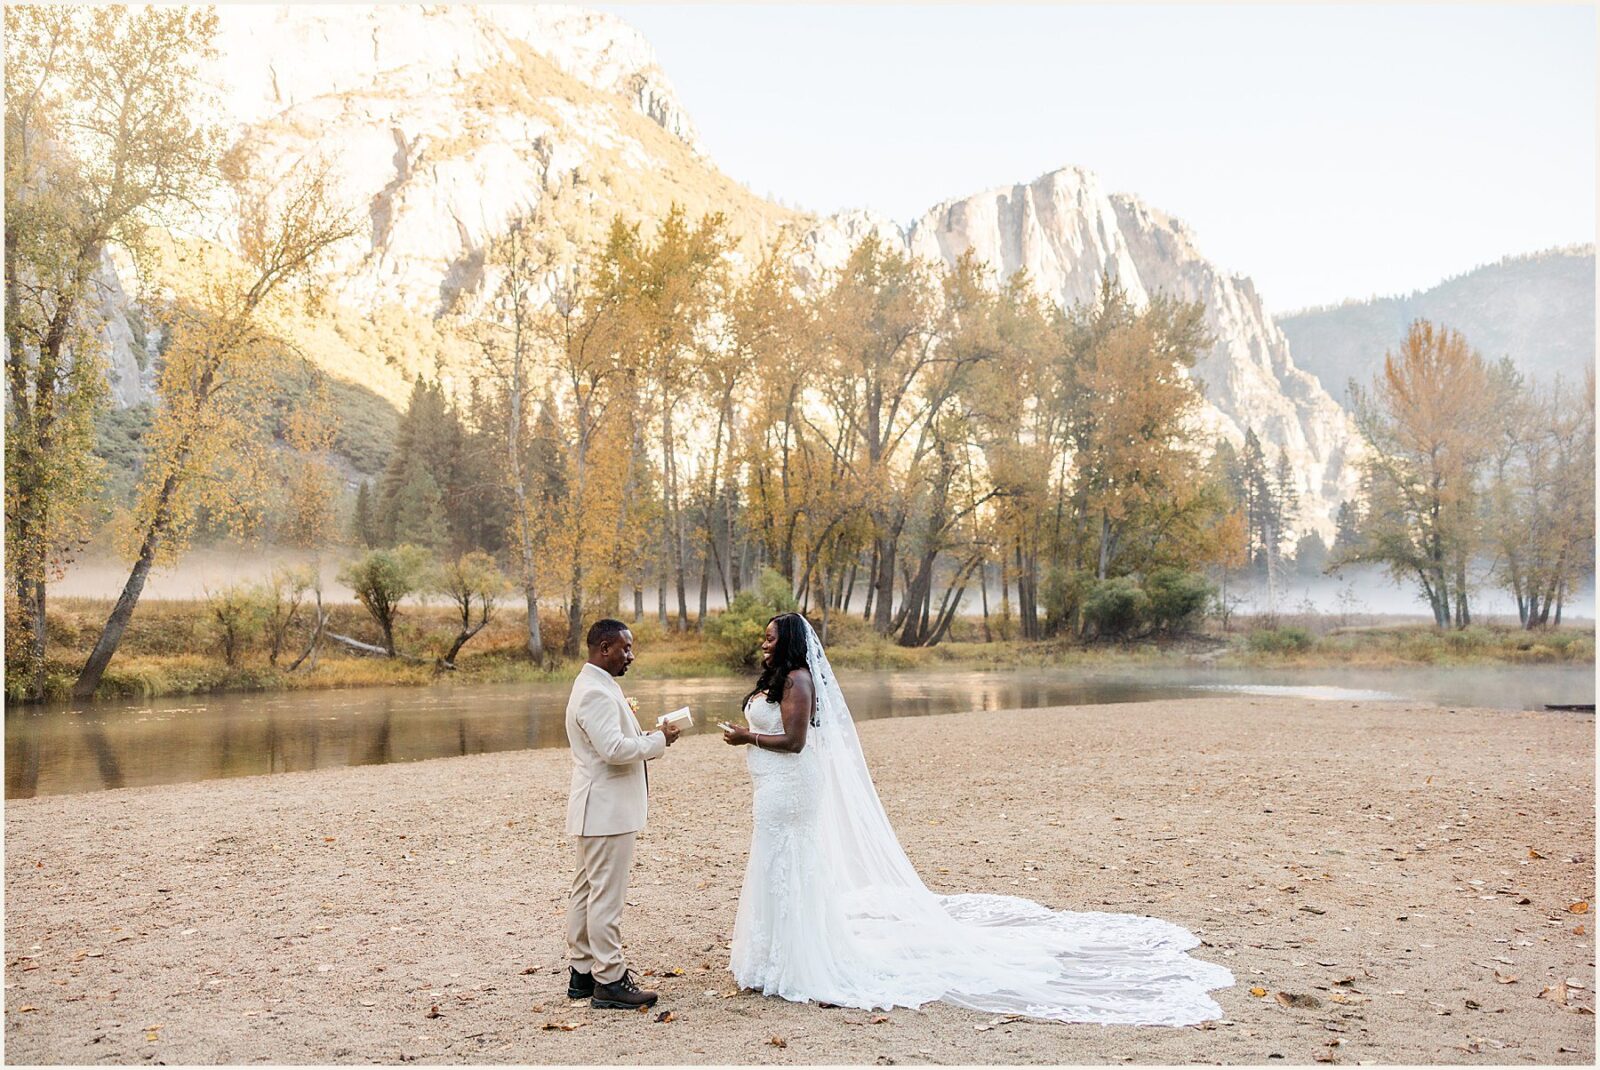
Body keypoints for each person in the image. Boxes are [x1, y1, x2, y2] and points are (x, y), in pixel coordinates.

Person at [720, 612, 1234, 1025]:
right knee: (774, 866)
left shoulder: (799, 680)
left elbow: (794, 742)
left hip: (792, 789)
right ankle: (772, 960)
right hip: (772, 790)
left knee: (792, 865)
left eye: (769, 637)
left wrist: (747, 738)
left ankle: (797, 962)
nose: (763, 643)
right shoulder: (776, 679)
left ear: (787, 641)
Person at [564, 618, 680, 1009]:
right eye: (626, 648)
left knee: (585, 890)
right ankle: (610, 980)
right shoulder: (594, 692)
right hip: (606, 811)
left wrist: (649, 736)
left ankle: (582, 973)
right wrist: (657, 741)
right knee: (605, 898)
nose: (631, 655)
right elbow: (612, 751)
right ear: (605, 648)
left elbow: (611, 740)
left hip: (597, 809)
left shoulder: (598, 685)